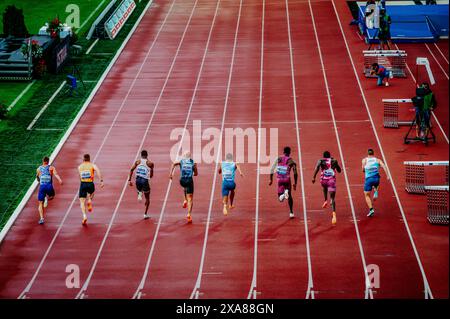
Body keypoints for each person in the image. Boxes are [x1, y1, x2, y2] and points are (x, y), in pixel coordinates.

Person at [312, 151, 342, 225]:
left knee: (324, 187)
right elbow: (339, 170)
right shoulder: (334, 161)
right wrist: (336, 166)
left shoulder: (321, 161)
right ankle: (334, 213)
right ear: (330, 156)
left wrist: (313, 177)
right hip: (331, 180)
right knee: (333, 197)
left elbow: (316, 168)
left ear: (323, 156)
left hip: (324, 180)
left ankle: (325, 200)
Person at [269, 146, 298, 219]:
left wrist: (271, 179)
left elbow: (272, 169)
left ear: (283, 152)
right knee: (290, 196)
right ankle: (291, 212)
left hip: (279, 179)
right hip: (287, 179)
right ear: (289, 152)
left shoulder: (278, 159)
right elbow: (295, 173)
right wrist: (295, 183)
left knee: (280, 199)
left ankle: (283, 195)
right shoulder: (291, 161)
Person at [169, 151, 198, 223]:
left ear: (184, 156)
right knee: (190, 199)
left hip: (182, 180)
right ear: (190, 156)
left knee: (184, 187)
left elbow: (173, 164)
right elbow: (196, 174)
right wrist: (194, 170)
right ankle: (189, 214)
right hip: (189, 181)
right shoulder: (192, 163)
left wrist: (171, 174)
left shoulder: (181, 161)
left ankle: (184, 200)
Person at [362, 149, 389, 217]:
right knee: (376, 183)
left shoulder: (364, 160)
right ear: (373, 154)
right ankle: (376, 190)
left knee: (367, 195)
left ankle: (371, 209)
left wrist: (366, 170)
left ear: (368, 154)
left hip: (369, 180)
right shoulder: (378, 160)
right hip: (377, 179)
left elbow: (363, 170)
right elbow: (384, 166)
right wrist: (387, 175)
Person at [78, 154, 103, 225]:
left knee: (82, 202)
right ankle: (89, 200)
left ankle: (84, 216)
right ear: (89, 159)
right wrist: (101, 181)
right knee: (92, 193)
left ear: (83, 159)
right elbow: (98, 171)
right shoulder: (92, 165)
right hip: (90, 183)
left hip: (83, 184)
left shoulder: (80, 167)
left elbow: (80, 176)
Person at [36, 156, 62, 224]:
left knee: (40, 203)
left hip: (42, 186)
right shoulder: (51, 167)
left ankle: (41, 218)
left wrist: (39, 180)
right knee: (52, 196)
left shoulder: (39, 168)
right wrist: (59, 180)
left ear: (43, 161)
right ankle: (47, 199)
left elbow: (37, 177)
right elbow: (56, 174)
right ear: (48, 161)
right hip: (49, 186)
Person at [129, 150, 154, 219]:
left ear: (141, 155)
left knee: (139, 189)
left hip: (137, 180)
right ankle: (145, 214)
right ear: (147, 155)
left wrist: (129, 180)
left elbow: (131, 170)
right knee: (148, 198)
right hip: (144, 181)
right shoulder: (150, 163)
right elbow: (151, 176)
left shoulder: (137, 162)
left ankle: (139, 193)